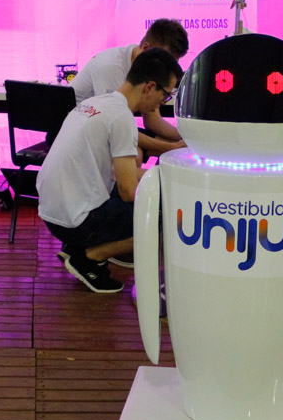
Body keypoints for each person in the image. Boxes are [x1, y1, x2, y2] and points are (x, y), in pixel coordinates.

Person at [38, 47, 184, 293]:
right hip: (73, 221)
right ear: (150, 87)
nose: (163, 102)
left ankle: (78, 246)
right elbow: (129, 191)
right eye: (166, 94)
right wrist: (174, 191)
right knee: (163, 216)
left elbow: (124, 176)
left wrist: (164, 179)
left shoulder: (96, 103)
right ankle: (90, 258)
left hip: (51, 211)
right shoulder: (121, 118)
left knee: (142, 195)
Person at [71, 18, 188, 158]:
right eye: (165, 60)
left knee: (179, 145)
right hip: (80, 131)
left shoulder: (146, 66)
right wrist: (171, 147)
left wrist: (188, 138)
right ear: (146, 48)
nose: (168, 68)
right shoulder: (111, 68)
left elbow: (152, 121)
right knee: (136, 154)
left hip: (104, 127)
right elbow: (114, 128)